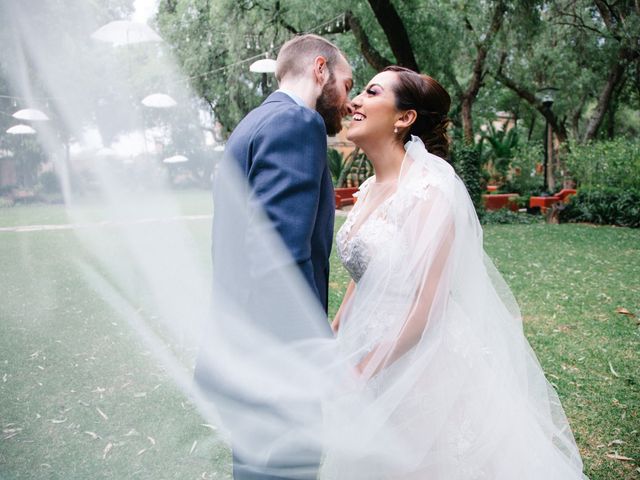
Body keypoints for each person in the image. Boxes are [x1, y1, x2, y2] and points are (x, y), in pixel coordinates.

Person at [319, 66, 588, 479]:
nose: (355, 101)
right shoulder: (370, 188)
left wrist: (363, 369)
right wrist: (335, 337)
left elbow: (427, 307)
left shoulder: (430, 190)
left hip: (420, 361)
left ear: (404, 118)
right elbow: (366, 273)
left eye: (371, 93)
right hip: (367, 344)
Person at [195, 34, 353, 480]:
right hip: (278, 360)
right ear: (320, 70)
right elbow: (279, 259)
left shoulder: (252, 124)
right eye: (346, 82)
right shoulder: (297, 125)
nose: (348, 99)